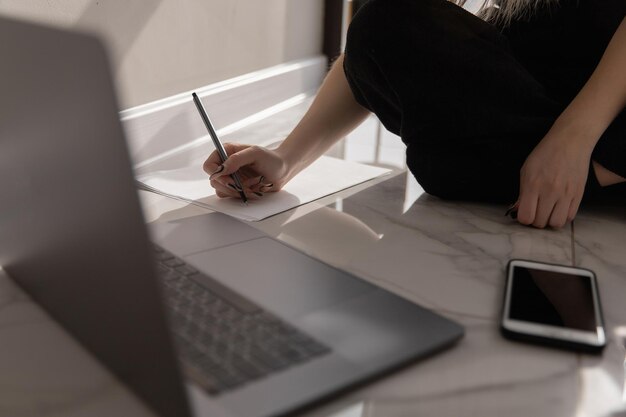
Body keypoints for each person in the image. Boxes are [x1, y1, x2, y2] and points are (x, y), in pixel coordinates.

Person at [204, 0, 626, 229]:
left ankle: (595, 167)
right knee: (384, 20)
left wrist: (574, 139)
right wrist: (286, 159)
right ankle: (533, 166)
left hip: (608, 101)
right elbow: (378, 44)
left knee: (441, 161)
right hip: (532, 81)